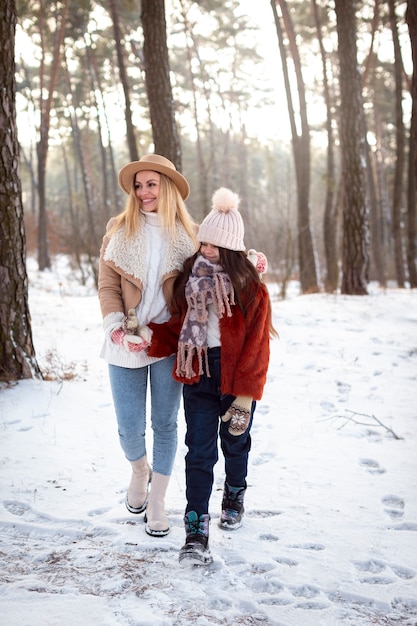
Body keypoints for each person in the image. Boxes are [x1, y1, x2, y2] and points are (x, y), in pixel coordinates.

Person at [148, 187, 277, 565]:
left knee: (235, 442)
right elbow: (176, 328)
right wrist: (148, 336)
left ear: (233, 251)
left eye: (215, 247)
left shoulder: (251, 288)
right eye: (203, 243)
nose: (206, 251)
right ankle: (196, 529)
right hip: (198, 371)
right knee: (199, 451)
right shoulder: (191, 279)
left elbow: (257, 347)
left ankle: (235, 491)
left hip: (236, 376)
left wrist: (244, 397)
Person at [98, 153, 198, 537]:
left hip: (168, 342)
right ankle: (139, 470)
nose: (143, 192)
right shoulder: (119, 229)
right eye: (138, 185)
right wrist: (115, 327)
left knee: (165, 423)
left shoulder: (189, 234)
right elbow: (108, 286)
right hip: (126, 337)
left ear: (167, 187)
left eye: (151, 184)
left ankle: (158, 501)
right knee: (129, 427)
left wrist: (252, 259)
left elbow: (227, 255)